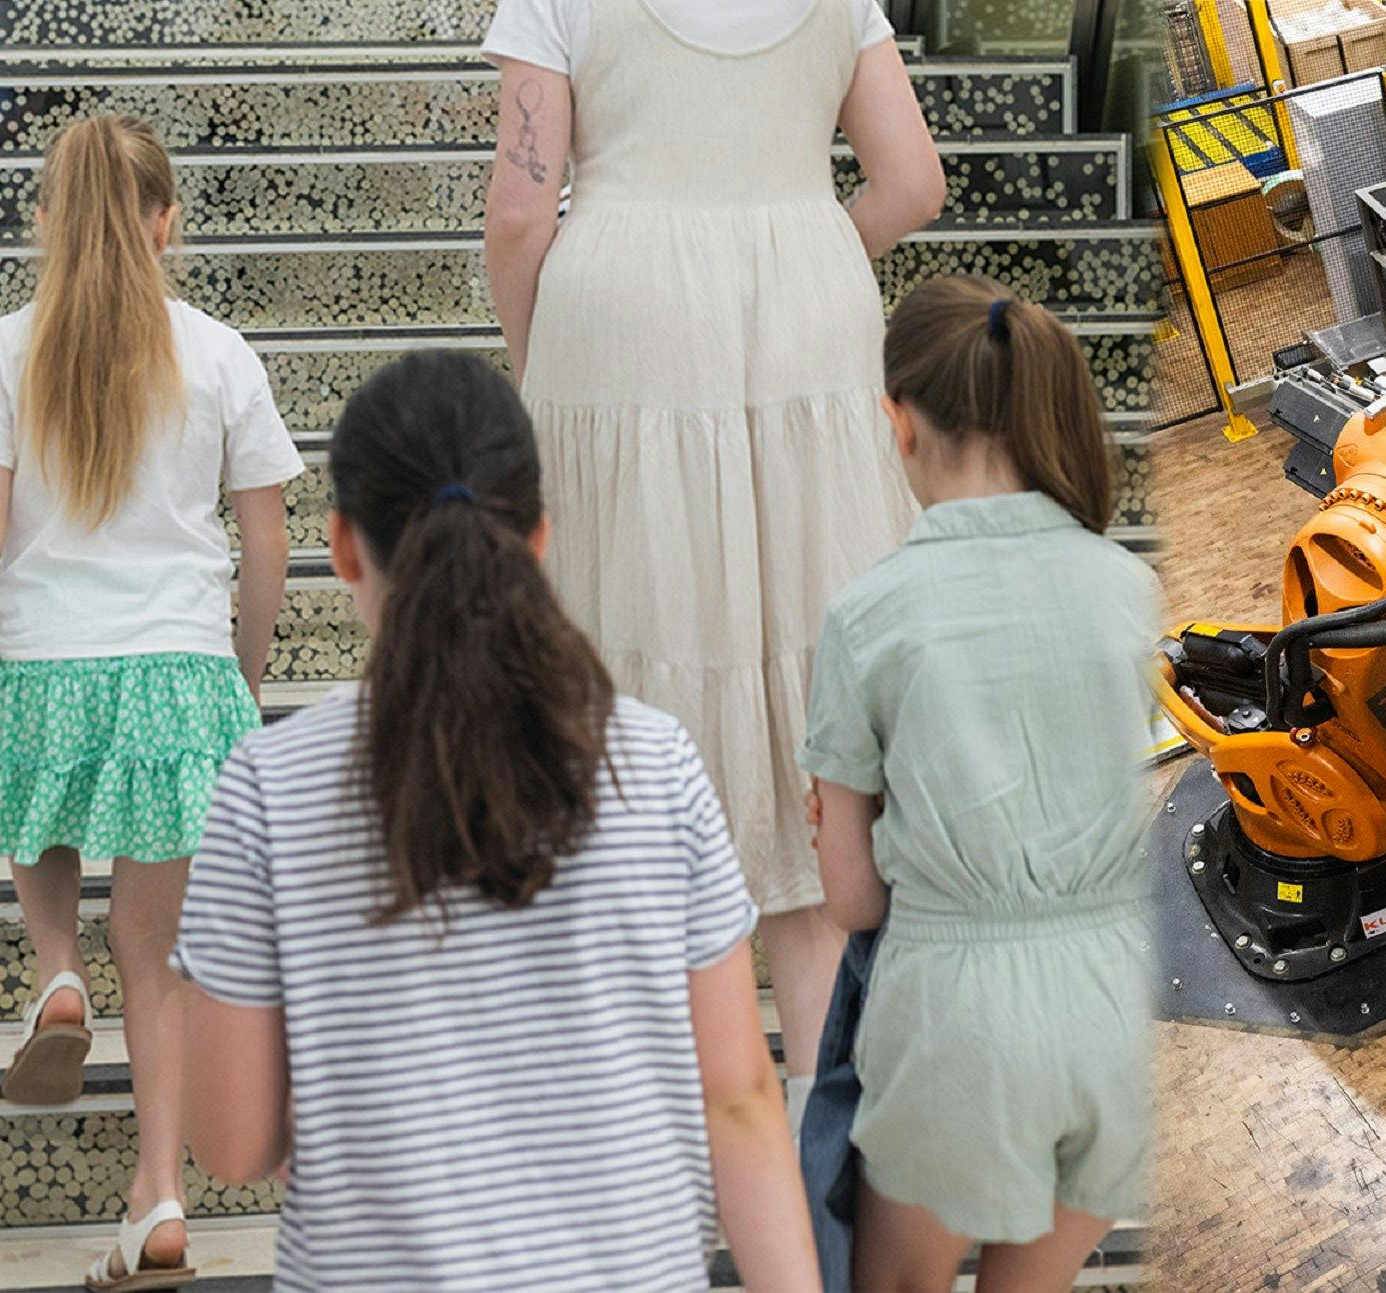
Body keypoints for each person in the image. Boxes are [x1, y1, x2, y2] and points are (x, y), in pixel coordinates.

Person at [172, 351, 818, 1292]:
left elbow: (233, 1141)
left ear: (345, 545)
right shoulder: (654, 763)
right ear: (542, 534)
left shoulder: (267, 789)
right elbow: (743, 1100)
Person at [479, 0, 946, 1113]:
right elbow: (911, 184)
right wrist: (810, 240)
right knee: (806, 721)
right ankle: (816, 1129)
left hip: (621, 316)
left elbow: (517, 208)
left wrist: (533, 351)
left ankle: (644, 1139)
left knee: (630, 682)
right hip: (805, 305)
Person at [0, 114, 299, 1292]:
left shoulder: (1, 351)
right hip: (179, 671)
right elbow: (269, 541)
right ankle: (161, 1198)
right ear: (166, 221)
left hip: (45, 669)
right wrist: (238, 669)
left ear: (46, 219)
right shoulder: (222, 352)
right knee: (162, 960)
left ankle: (50, 971)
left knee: (44, 839)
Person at [802, 277, 1158, 1292]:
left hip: (953, 1022)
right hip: (1118, 1004)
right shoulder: (1128, 591)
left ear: (899, 421)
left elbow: (850, 900)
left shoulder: (869, 616)